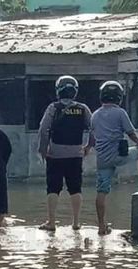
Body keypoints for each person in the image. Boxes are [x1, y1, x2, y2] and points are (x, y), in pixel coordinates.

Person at [87, 81, 138, 235]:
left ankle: (101, 226)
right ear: (118, 97)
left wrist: (87, 148)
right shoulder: (120, 113)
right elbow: (130, 132)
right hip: (119, 156)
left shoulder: (95, 115)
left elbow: (92, 137)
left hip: (103, 159)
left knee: (101, 191)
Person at [38, 76, 93, 232]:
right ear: (75, 92)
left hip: (54, 154)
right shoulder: (83, 108)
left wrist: (43, 149)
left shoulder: (53, 107)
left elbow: (43, 129)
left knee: (53, 188)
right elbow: (93, 128)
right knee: (75, 188)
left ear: (58, 91)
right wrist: (88, 146)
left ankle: (52, 222)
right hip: (76, 154)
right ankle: (76, 223)